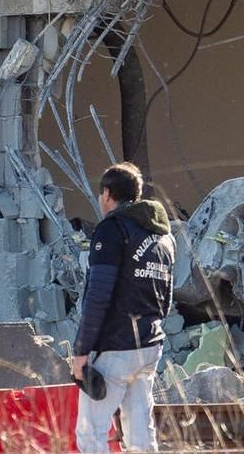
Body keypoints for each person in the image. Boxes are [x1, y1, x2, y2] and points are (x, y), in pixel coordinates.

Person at [73, 162, 175, 452]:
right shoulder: (163, 236)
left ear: (107, 194)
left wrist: (81, 351)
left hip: (115, 348)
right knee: (141, 431)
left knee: (90, 432)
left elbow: (98, 296)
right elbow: (165, 296)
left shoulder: (112, 230)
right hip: (149, 345)